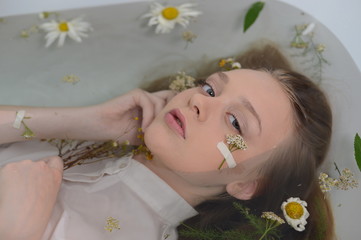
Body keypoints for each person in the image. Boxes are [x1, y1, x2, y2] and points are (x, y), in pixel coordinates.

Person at [0, 44, 334, 240]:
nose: (199, 102)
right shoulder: (81, 148)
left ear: (246, 185)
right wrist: (86, 121)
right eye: (210, 88)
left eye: (235, 122)